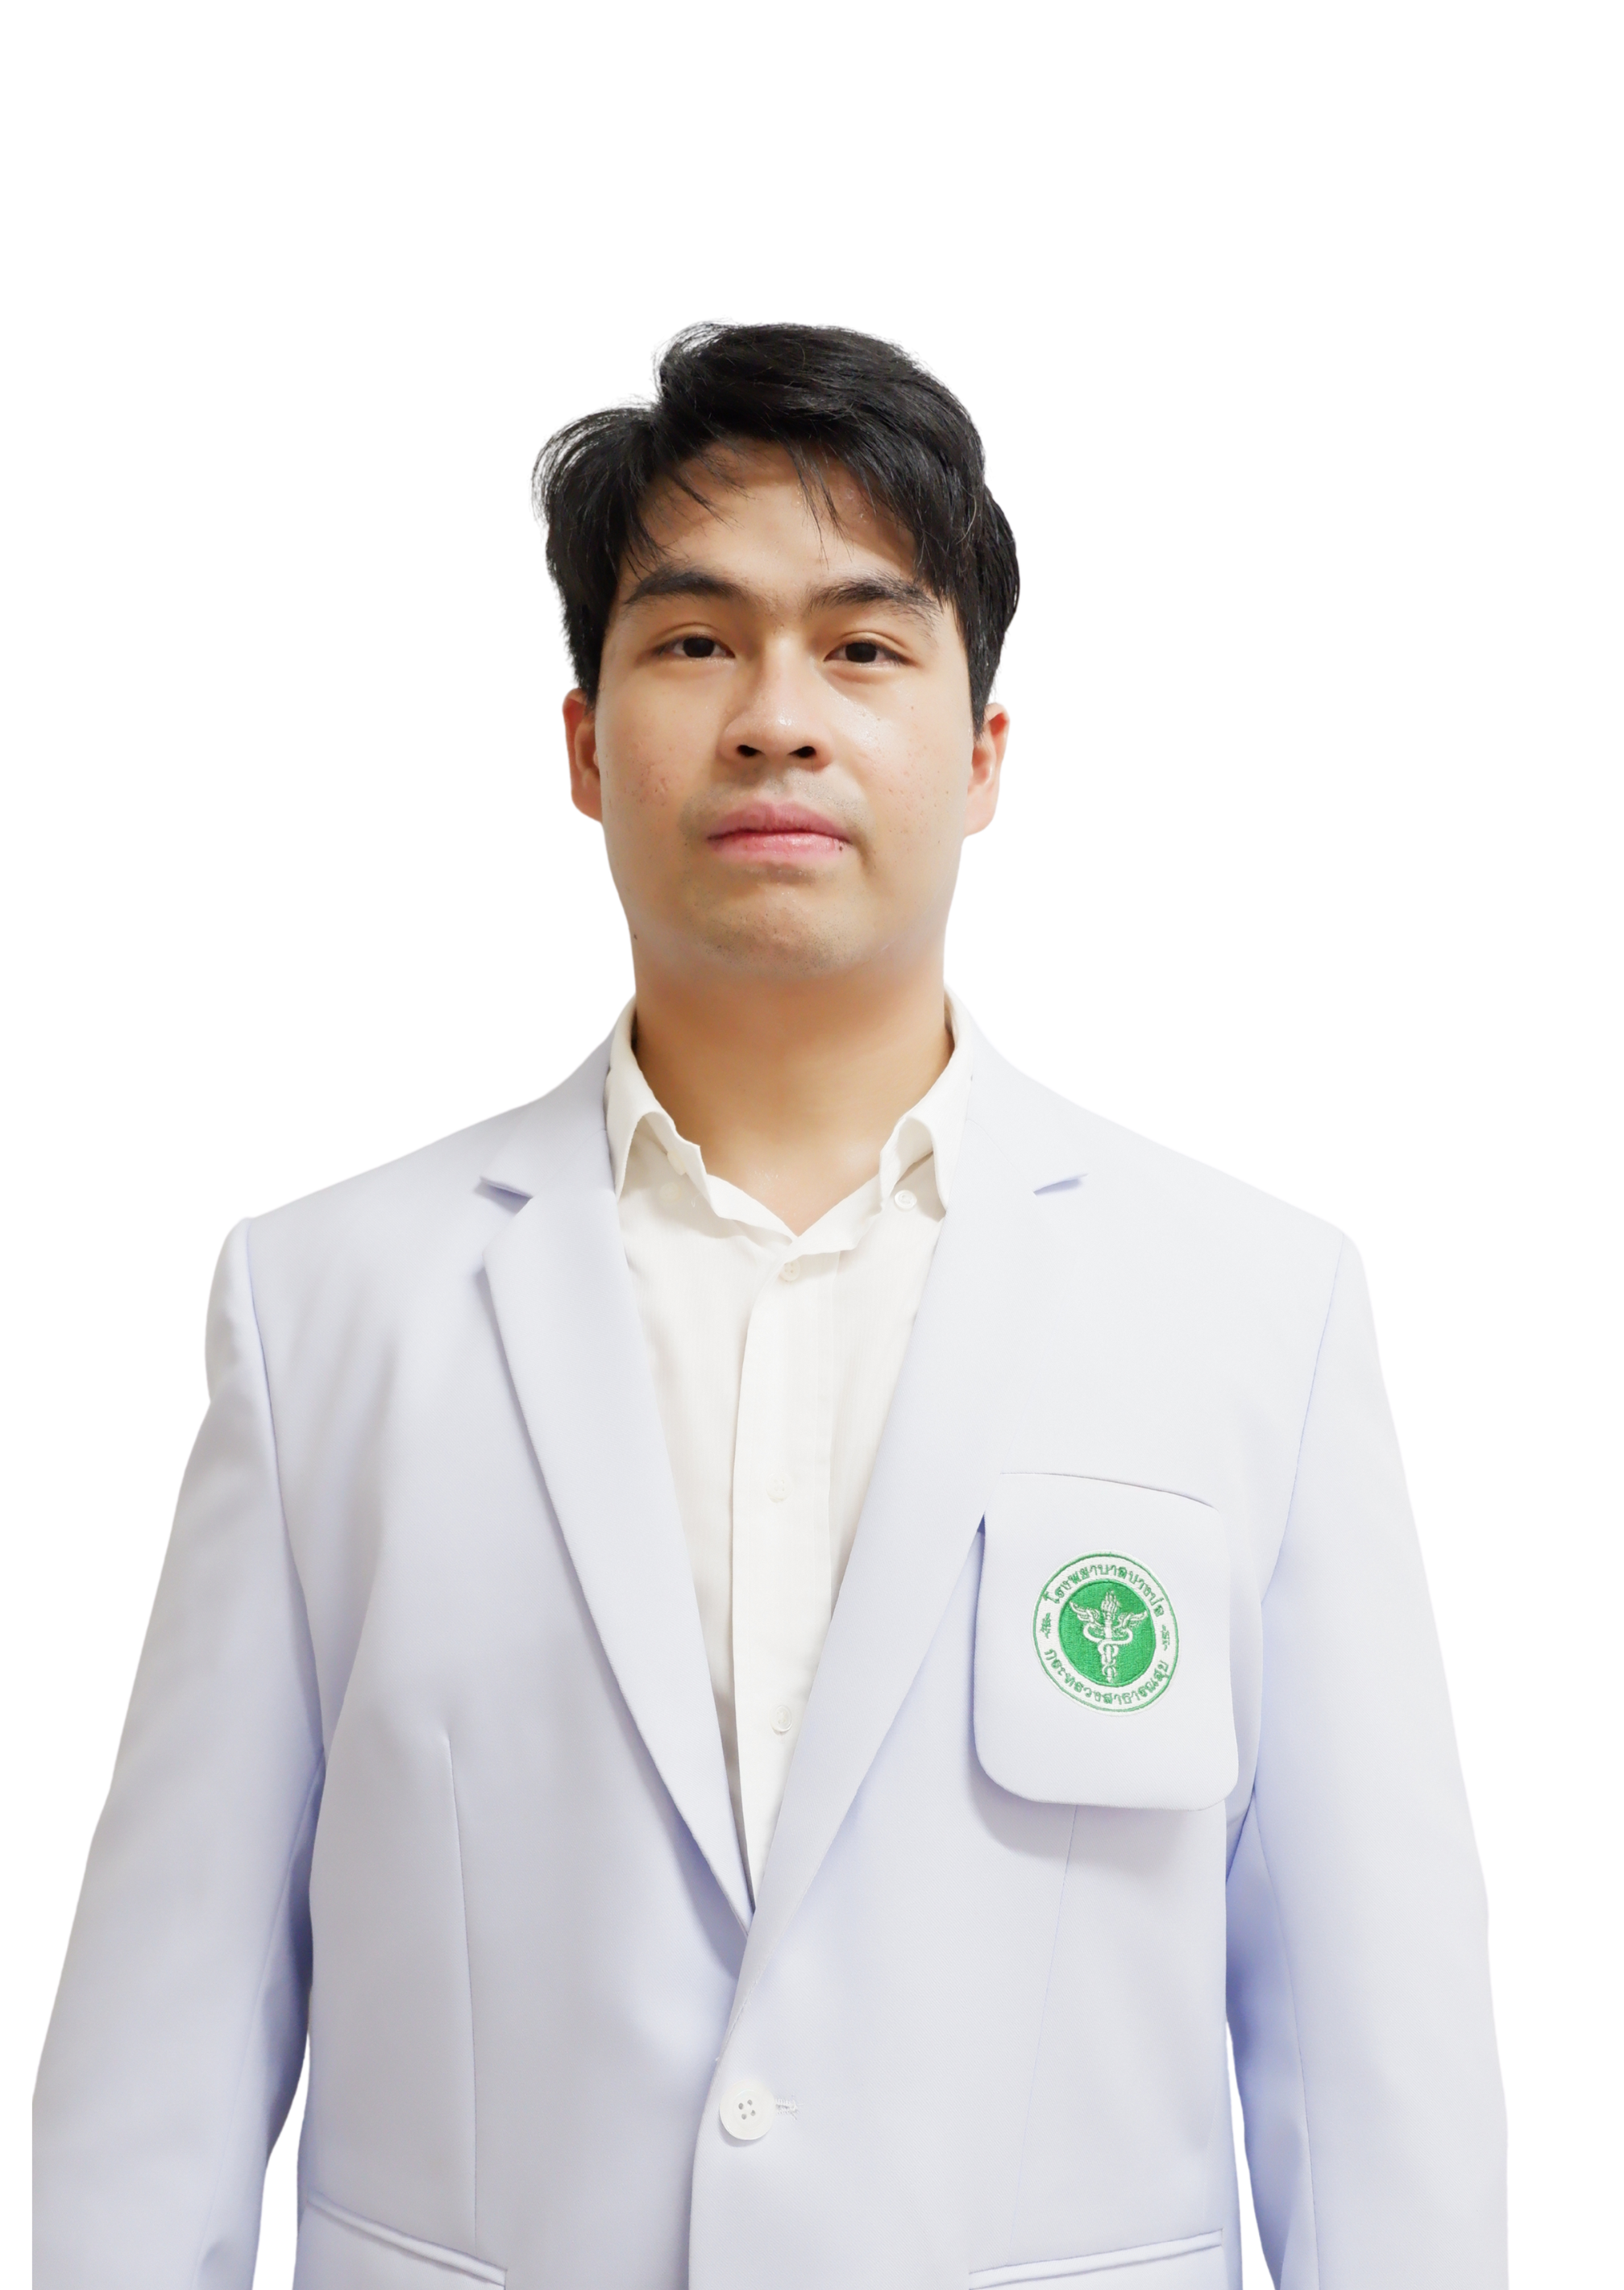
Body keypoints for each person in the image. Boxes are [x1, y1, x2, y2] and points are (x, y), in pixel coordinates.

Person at [32, 320, 1507, 2289]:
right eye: (693, 640)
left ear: (983, 757)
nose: (776, 719)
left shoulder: (1255, 1305)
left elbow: (1377, 2061)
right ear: (582, 745)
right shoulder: (326, 1307)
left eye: (864, 645)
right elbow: (164, 2047)